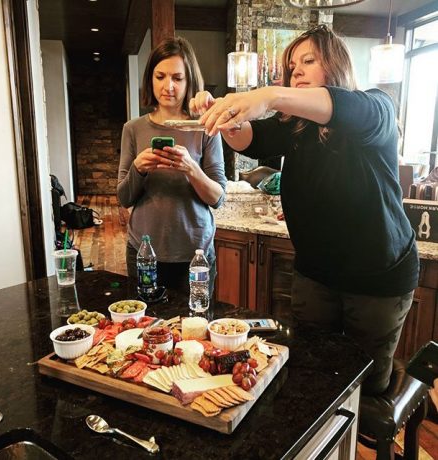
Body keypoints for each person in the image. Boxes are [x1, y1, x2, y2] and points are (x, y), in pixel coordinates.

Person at [190, 25, 419, 396]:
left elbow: (342, 107)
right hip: (316, 272)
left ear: (336, 64)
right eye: (291, 64)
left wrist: (268, 95)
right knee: (313, 372)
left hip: (379, 277)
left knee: (363, 386)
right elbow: (252, 138)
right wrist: (226, 117)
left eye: (308, 61)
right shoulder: (297, 126)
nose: (295, 70)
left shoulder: (374, 108)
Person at [117, 37, 226, 295]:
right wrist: (138, 168)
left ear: (189, 81)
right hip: (144, 252)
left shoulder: (205, 127)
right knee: (146, 329)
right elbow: (124, 196)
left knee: (195, 328)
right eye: (160, 76)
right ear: (150, 79)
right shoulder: (133, 129)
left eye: (177, 78)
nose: (168, 86)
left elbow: (218, 197)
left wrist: (191, 168)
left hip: (196, 253)